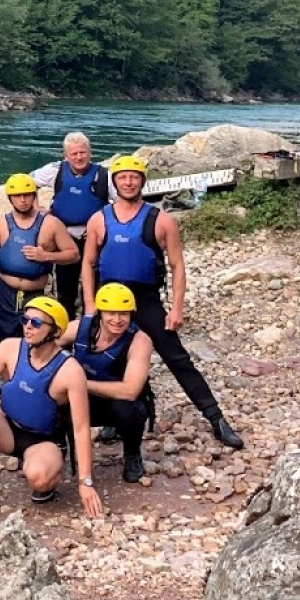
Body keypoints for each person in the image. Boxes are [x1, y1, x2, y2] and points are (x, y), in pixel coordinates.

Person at [81, 155, 244, 450]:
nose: (128, 182)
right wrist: (90, 305)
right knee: (109, 358)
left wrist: (177, 308)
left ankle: (216, 418)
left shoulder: (161, 220)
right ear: (115, 182)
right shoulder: (98, 219)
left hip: (145, 301)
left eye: (133, 177)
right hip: (109, 300)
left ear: (142, 181)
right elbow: (88, 263)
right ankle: (115, 420)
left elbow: (177, 266)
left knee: (177, 358)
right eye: (122, 177)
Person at [0, 297, 103, 518]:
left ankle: (49, 475)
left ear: (54, 330)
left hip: (44, 438)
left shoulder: (70, 371)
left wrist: (85, 482)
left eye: (36, 323)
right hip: (9, 429)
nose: (27, 327)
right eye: (25, 320)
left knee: (38, 477)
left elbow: (81, 429)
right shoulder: (9, 348)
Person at [59, 283, 155, 484]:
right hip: (82, 400)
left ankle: (132, 454)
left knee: (130, 409)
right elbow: (46, 346)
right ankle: (56, 450)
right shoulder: (78, 328)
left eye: (124, 314)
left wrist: (79, 384)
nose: (118, 320)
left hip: (117, 399)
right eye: (111, 313)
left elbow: (130, 390)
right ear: (100, 313)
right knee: (51, 399)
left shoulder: (140, 341)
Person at [0, 174, 79, 340]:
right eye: (17, 196)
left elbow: (74, 254)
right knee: (5, 340)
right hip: (3, 292)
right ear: (10, 199)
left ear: (34, 196)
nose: (23, 200)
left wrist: (46, 256)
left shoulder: (51, 224)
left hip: (35, 293)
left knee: (34, 339)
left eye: (27, 195)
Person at [44, 133, 112, 318]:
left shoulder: (104, 175)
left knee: (95, 284)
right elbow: (28, 182)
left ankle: (93, 323)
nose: (79, 157)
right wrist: (38, 210)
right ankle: (66, 326)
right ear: (65, 155)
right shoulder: (55, 171)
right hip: (65, 238)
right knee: (66, 286)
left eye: (83, 152)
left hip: (94, 238)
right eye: (74, 154)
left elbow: (120, 202)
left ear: (90, 152)